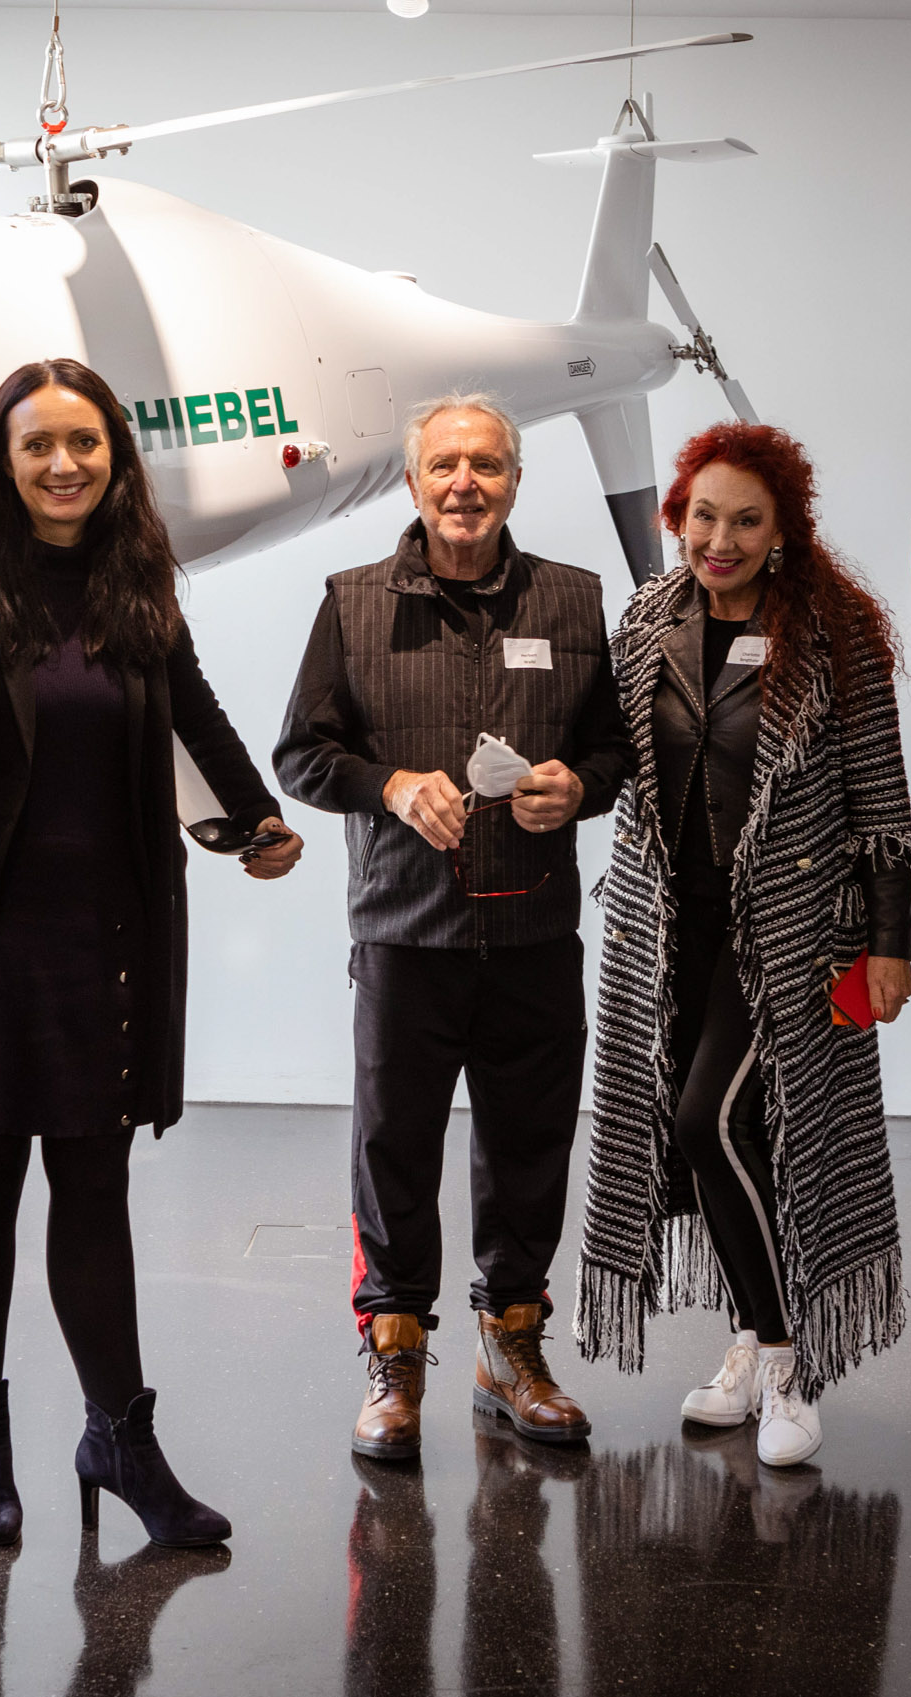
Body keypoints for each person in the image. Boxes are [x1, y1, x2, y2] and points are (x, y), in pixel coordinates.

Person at [0, 357, 301, 1550]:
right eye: (37, 444)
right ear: (1, 457)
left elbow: (192, 707)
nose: (63, 464)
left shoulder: (132, 570)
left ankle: (118, 1439)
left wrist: (257, 817)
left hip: (107, 929)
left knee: (96, 1181)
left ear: (115, 458)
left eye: (84, 443)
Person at [275, 392, 631, 1461]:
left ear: (515, 482)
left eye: (486, 465)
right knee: (392, 1150)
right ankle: (394, 1356)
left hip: (534, 935)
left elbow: (615, 751)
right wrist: (388, 787)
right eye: (445, 465)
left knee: (529, 1146)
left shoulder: (573, 600)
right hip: (404, 935)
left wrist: (581, 786)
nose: (465, 483)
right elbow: (300, 756)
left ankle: (511, 1347)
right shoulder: (353, 603)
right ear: (414, 481)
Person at [576, 423, 911, 1467]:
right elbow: (613, 759)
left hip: (788, 931)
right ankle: (746, 1332)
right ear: (675, 517)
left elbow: (879, 802)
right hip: (668, 929)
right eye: (703, 517)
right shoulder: (648, 619)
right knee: (729, 1140)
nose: (718, 540)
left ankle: (783, 1361)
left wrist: (891, 942)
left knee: (708, 1122)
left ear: (782, 533)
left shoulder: (831, 635)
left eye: (745, 521)